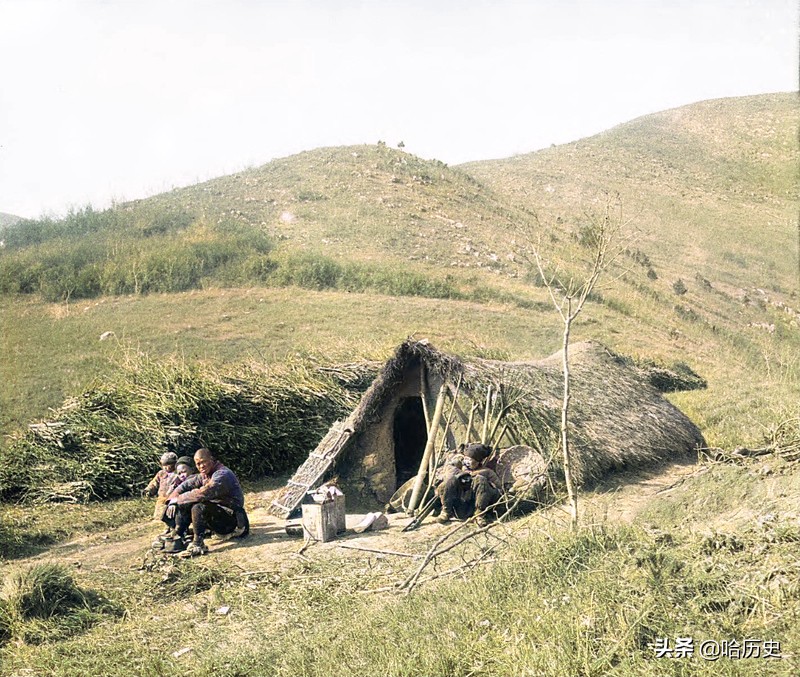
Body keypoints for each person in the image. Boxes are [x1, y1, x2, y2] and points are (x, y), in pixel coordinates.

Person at [162, 448, 249, 556]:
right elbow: (183, 486)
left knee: (198, 506)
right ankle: (178, 535)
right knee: (182, 503)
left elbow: (204, 493)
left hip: (234, 520)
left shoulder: (222, 474)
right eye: (198, 464)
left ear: (211, 459)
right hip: (218, 516)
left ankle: (198, 543)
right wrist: (172, 501)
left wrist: (178, 499)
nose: (201, 466)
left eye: (203, 462)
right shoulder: (204, 475)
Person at [435, 443, 503, 527]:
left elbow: (499, 490)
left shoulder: (487, 472)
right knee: (452, 479)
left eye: (470, 459)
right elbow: (443, 487)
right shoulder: (457, 469)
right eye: (466, 459)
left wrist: (487, 484)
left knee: (480, 479)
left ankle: (479, 516)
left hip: (476, 505)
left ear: (478, 461)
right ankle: (446, 512)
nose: (467, 462)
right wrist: (458, 472)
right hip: (460, 505)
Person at [143, 452, 178, 528]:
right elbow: (154, 482)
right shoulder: (161, 474)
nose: (166, 467)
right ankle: (167, 527)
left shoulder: (177, 474)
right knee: (161, 515)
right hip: (162, 498)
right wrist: (149, 489)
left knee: (171, 514)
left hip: (172, 498)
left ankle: (172, 527)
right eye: (164, 465)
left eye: (168, 465)